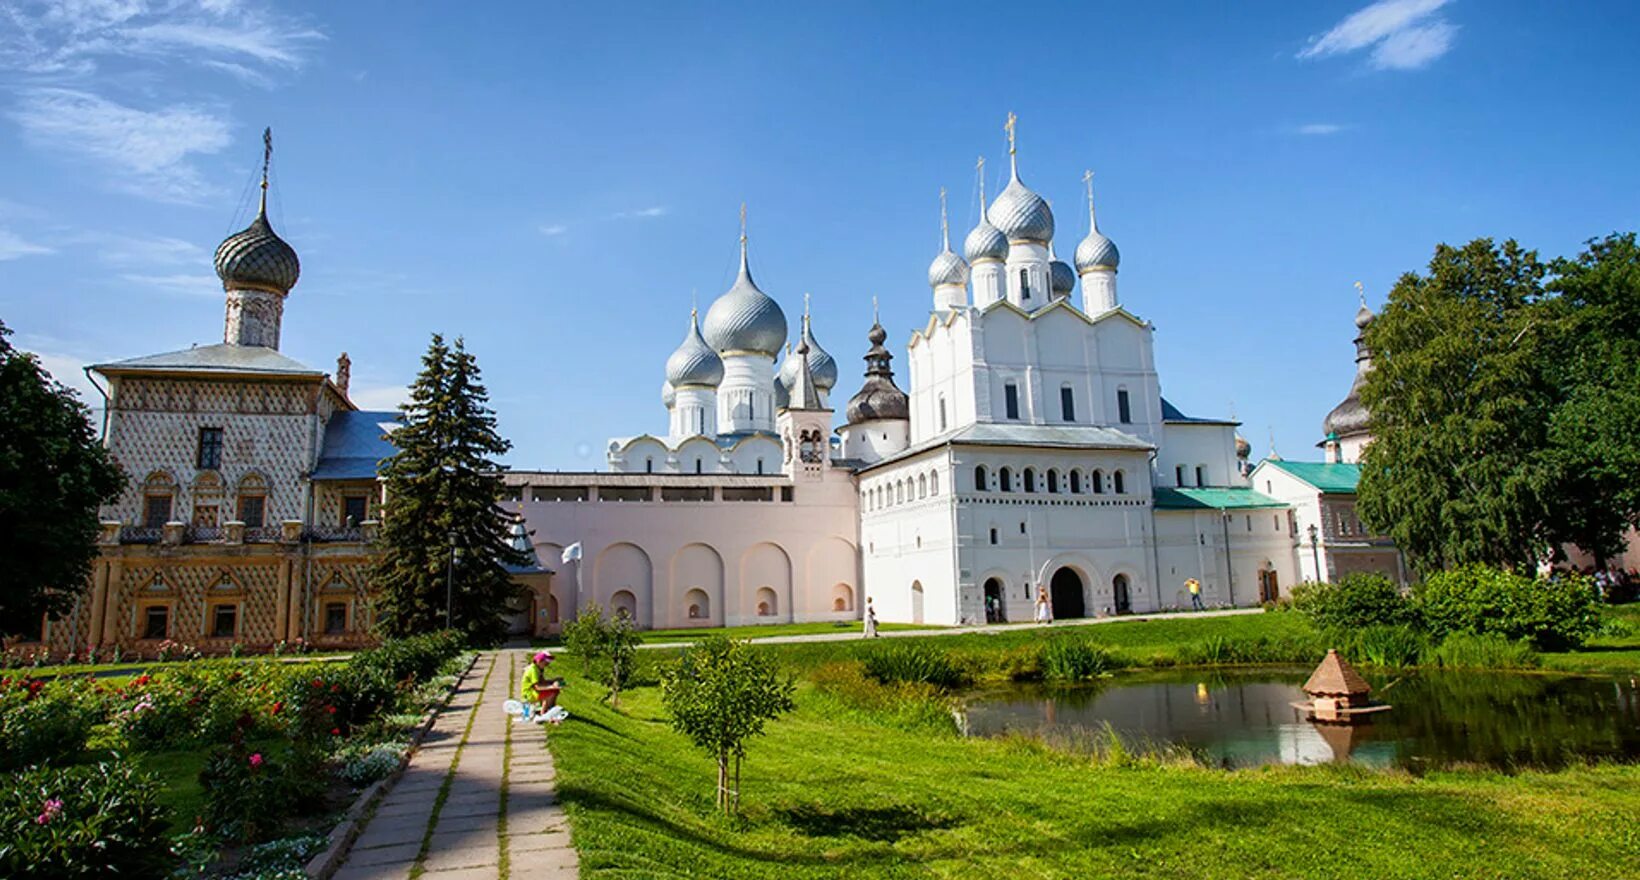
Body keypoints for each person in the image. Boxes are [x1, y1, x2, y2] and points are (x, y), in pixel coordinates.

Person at [519, 650, 564, 724]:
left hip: (533, 691)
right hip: (529, 693)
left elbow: (542, 682)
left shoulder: (538, 669)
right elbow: (538, 687)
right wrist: (552, 687)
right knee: (550, 693)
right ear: (539, 661)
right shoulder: (533, 670)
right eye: (546, 663)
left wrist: (554, 680)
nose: (547, 665)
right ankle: (543, 714)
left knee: (555, 691)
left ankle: (551, 710)